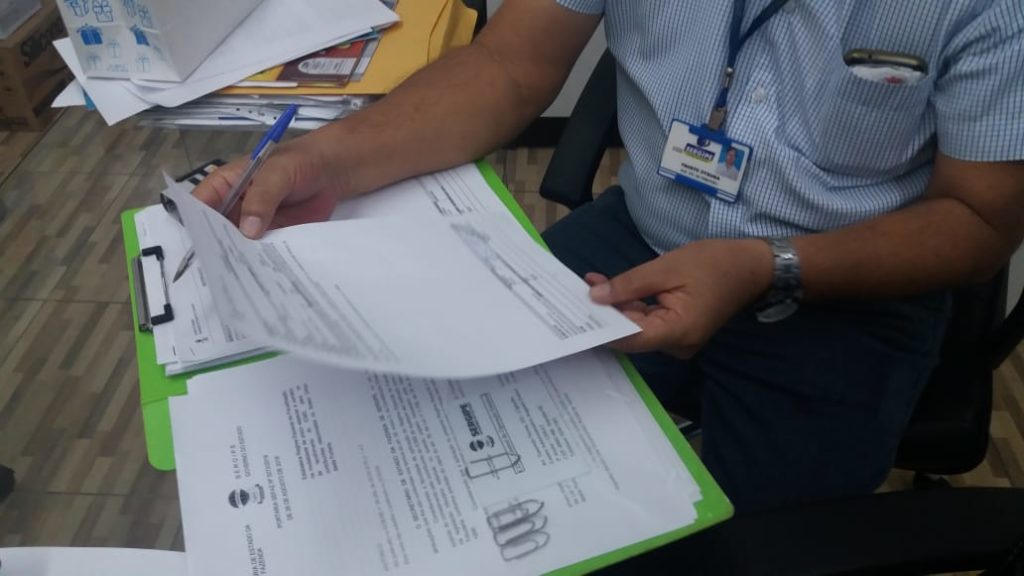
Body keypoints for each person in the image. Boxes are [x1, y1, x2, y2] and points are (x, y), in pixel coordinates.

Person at [193, 1, 1024, 513]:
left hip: (842, 281)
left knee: (750, 547)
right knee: (448, 440)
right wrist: (324, 160)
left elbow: (979, 219)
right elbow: (509, 64)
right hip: (644, 231)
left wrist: (761, 265)